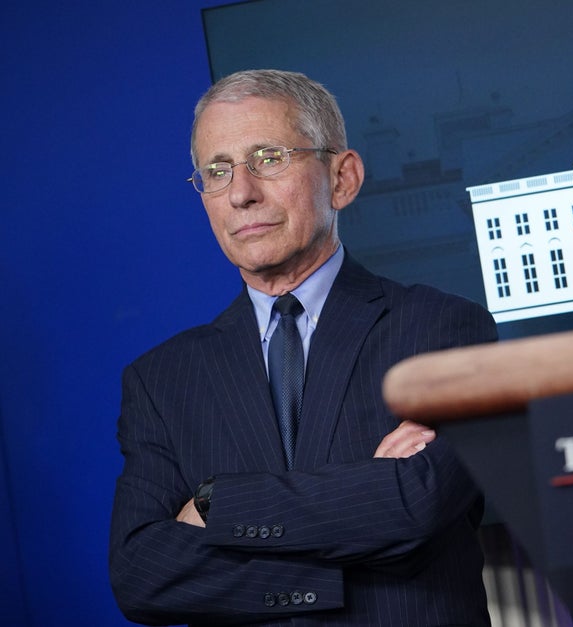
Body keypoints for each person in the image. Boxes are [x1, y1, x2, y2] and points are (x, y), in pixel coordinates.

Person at [109, 69, 497, 626]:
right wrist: (355, 522)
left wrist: (216, 503)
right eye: (217, 171)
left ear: (342, 179)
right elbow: (141, 574)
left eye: (268, 158)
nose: (241, 193)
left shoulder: (442, 328)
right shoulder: (162, 380)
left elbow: (417, 504)